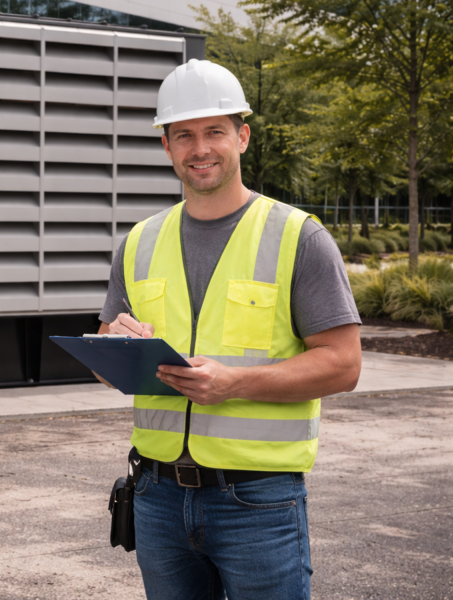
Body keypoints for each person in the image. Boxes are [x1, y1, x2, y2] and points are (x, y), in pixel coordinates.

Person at [98, 58, 362, 600]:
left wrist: (234, 383)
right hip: (156, 494)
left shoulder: (299, 237)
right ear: (166, 147)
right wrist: (114, 347)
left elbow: (344, 364)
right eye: (184, 135)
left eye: (215, 131)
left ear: (242, 137)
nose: (200, 148)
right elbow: (107, 351)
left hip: (257, 502)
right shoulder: (139, 241)